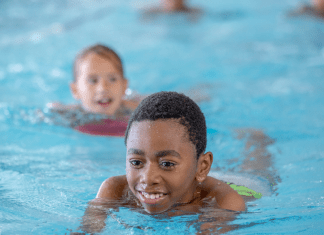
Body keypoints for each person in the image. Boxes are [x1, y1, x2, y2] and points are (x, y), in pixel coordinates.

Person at [79, 91, 245, 233]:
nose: (148, 178)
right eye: (136, 162)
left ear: (202, 167)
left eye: (167, 164)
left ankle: (256, 140)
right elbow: (86, 231)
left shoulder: (223, 203)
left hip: (245, 187)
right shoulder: (115, 191)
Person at [47, 44, 142, 135]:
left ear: (124, 86)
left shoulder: (137, 111)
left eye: (112, 79)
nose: (103, 88)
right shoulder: (71, 116)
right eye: (93, 81)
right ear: (75, 90)